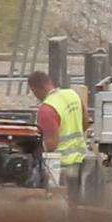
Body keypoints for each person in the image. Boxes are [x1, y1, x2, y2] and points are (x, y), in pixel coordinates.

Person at [26, 69, 90, 198]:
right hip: (81, 159)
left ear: (34, 89)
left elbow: (51, 145)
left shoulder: (47, 109)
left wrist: (28, 148)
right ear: (49, 82)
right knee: (76, 204)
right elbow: (85, 124)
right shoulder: (72, 94)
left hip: (61, 167)